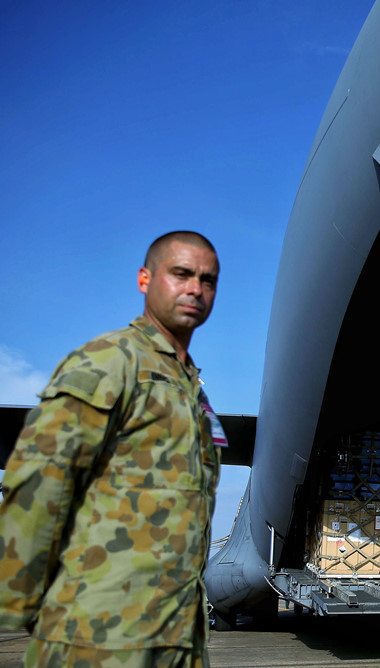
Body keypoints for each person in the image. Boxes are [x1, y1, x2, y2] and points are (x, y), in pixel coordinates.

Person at [0, 231, 223, 666]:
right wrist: (23, 607)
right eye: (181, 274)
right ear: (145, 279)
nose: (195, 289)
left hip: (174, 636)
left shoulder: (192, 390)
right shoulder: (110, 361)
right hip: (98, 635)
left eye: (207, 280)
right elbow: (40, 483)